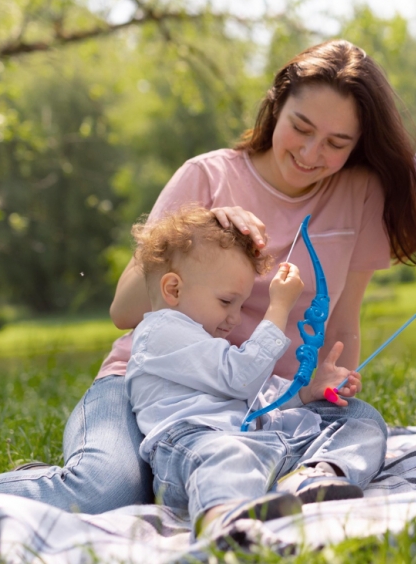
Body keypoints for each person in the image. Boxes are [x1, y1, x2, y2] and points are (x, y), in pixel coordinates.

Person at [0, 40, 416, 512]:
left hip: (256, 400)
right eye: (301, 127)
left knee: (362, 422)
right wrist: (198, 230)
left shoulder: (358, 192)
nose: (311, 152)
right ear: (275, 106)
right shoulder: (206, 177)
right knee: (106, 490)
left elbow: (343, 321)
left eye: (336, 143)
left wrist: (328, 382)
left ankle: (308, 480)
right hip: (148, 386)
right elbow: (124, 311)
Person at [124, 206, 384, 535]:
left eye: (241, 305)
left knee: (361, 418)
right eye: (226, 301)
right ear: (173, 289)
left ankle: (314, 476)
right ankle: (226, 522)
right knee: (227, 454)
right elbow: (241, 380)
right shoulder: (161, 333)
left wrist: (306, 394)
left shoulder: (202, 340)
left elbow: (256, 400)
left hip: (255, 443)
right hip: (193, 448)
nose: (234, 317)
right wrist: (278, 308)